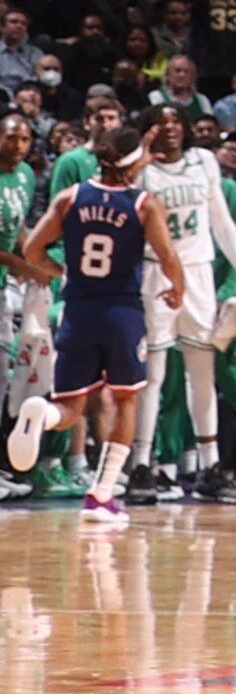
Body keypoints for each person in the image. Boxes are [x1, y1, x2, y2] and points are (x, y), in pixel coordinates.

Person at [11, 114, 185, 525]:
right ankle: (103, 493)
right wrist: (178, 288)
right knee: (125, 399)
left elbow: (32, 252)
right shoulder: (144, 204)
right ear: (133, 162)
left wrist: (62, 271)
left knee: (70, 407)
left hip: (78, 309)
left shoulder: (69, 197)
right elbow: (169, 258)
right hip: (122, 312)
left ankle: (41, 412)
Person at [133, 109, 236, 497]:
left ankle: (210, 467)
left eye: (176, 122)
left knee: (203, 373)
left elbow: (221, 219)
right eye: (161, 124)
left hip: (199, 273)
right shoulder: (142, 171)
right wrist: (141, 156)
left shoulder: (204, 162)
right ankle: (141, 468)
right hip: (157, 273)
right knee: (155, 375)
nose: (170, 130)